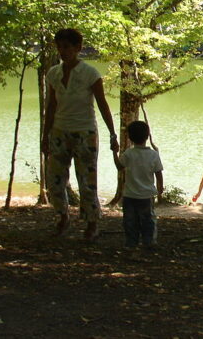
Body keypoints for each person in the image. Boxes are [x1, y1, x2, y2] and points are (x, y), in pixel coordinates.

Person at [42, 28, 119, 240]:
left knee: (87, 181)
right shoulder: (53, 73)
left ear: (78, 48)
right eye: (59, 46)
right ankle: (62, 217)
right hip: (59, 131)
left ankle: (92, 223)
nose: (62, 51)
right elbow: (51, 107)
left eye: (66, 46)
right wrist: (45, 136)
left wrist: (113, 133)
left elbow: (103, 105)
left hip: (85, 133)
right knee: (55, 180)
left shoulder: (90, 74)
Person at [112, 121, 163, 248]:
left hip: (130, 195)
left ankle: (131, 242)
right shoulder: (153, 154)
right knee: (148, 220)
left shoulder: (129, 154)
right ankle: (149, 241)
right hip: (147, 195)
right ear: (147, 136)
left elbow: (119, 167)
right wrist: (160, 188)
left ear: (130, 137)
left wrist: (114, 152)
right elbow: (158, 173)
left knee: (130, 221)